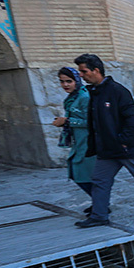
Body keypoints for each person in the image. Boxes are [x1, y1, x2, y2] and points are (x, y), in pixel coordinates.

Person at [73, 54, 134, 228]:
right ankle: (99, 215)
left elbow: (133, 118)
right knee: (99, 181)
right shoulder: (94, 93)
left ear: (96, 70)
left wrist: (123, 141)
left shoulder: (117, 91)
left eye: (84, 71)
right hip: (106, 150)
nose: (81, 75)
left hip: (124, 148)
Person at [52, 67, 96, 210]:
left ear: (77, 80)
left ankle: (101, 205)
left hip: (88, 143)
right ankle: (99, 203)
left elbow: (92, 122)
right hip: (78, 142)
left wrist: (67, 121)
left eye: (69, 81)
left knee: (84, 177)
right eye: (62, 81)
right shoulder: (72, 98)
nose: (65, 85)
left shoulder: (84, 97)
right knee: (78, 175)